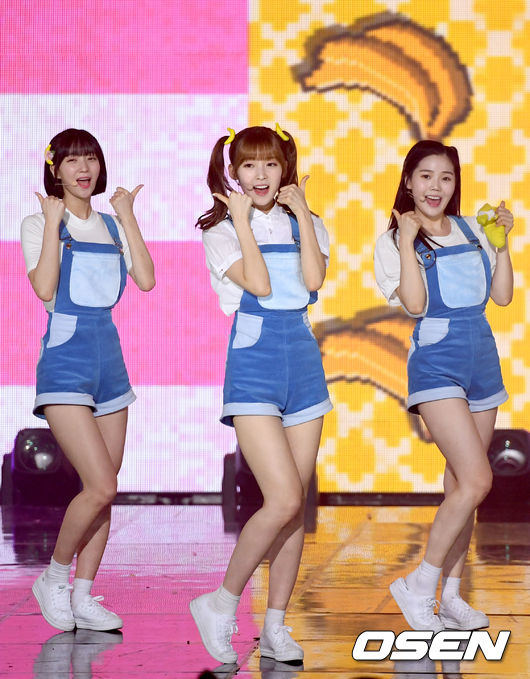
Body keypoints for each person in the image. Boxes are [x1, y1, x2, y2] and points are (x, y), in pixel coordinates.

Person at [190, 125, 332, 664]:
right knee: (283, 498)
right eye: (248, 165)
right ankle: (221, 603)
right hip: (253, 364)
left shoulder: (307, 221)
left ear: (284, 168)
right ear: (234, 173)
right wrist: (244, 222)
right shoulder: (219, 230)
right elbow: (261, 285)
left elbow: (314, 280)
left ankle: (275, 625)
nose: (260, 175)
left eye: (270, 164)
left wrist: (304, 217)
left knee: (297, 507)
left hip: (304, 363)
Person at [374, 139, 514, 631]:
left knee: (461, 486)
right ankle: (419, 585)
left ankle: (451, 596)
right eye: (426, 176)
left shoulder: (473, 229)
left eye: (446, 177)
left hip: (483, 363)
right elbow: (414, 304)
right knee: (477, 480)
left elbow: (502, 296)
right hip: (436, 365)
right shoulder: (393, 241)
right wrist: (407, 241)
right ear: (408, 181)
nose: (436, 187)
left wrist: (502, 244)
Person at [21, 128, 155, 632]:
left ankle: (82, 594)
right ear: (55, 170)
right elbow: (45, 288)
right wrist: (54, 224)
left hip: (110, 364)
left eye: (91, 159)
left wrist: (128, 216)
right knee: (99, 484)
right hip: (65, 361)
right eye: (73, 160)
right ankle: (53, 577)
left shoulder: (112, 225)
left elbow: (146, 280)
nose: (84, 169)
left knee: (105, 489)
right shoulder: (39, 222)